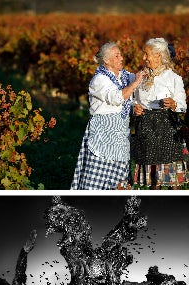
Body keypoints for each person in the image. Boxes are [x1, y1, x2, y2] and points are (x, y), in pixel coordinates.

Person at [71, 42, 145, 190]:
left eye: (121, 54)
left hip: (120, 135)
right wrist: (136, 82)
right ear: (106, 60)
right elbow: (117, 98)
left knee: (120, 178)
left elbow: (137, 86)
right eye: (117, 55)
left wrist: (134, 106)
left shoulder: (123, 76)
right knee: (98, 178)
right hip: (103, 133)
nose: (121, 58)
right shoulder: (99, 79)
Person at [132, 37, 187, 188]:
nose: (143, 58)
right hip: (146, 128)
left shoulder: (173, 78)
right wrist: (135, 108)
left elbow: (183, 106)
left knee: (172, 182)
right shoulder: (140, 77)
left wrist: (174, 103)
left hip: (167, 128)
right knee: (153, 182)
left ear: (158, 55)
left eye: (146, 54)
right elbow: (134, 101)